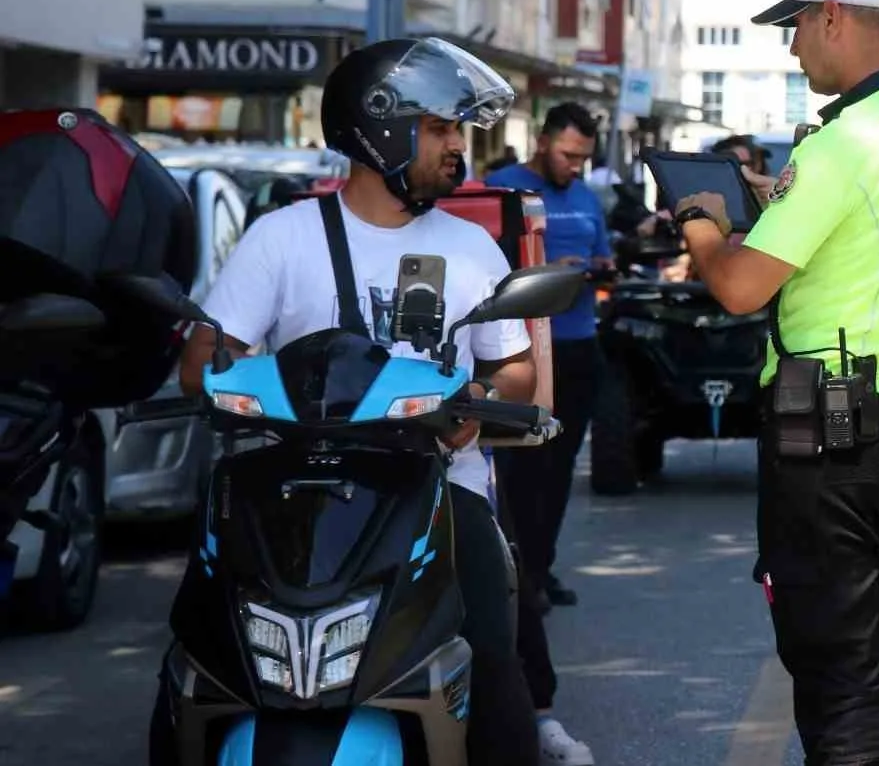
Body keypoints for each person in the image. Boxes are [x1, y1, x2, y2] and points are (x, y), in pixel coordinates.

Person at [157, 37, 589, 766]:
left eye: (458, 131)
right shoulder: (281, 239)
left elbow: (514, 372)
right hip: (295, 493)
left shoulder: (471, 248)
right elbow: (204, 362)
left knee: (495, 654)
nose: (458, 148)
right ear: (381, 127)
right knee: (199, 642)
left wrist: (473, 404)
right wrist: (242, 379)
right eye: (441, 129)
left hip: (440, 494)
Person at [671, 0, 879, 766]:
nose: (793, 46)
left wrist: (700, 222)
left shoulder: (840, 147)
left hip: (834, 431)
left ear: (833, 16)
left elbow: (739, 289)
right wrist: (783, 200)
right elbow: (878, 237)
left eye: (796, 26)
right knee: (858, 651)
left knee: (834, 669)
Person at [486, 103, 615, 609]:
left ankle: (540, 568)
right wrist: (545, 268)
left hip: (578, 344)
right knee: (520, 470)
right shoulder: (503, 186)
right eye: (567, 154)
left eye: (583, 157)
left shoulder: (586, 198)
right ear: (542, 142)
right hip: (523, 348)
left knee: (559, 469)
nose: (575, 166)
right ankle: (514, 572)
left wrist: (600, 266)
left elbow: (603, 250)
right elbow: (486, 261)